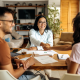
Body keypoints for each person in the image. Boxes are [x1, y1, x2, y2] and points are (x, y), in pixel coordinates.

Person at [0, 7, 36, 80]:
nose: (13, 24)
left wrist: (14, 59)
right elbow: (11, 76)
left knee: (31, 73)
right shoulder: (2, 44)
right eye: (11, 21)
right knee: (40, 76)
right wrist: (28, 63)